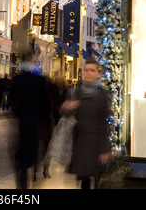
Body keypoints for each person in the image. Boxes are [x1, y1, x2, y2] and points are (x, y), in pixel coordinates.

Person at [61, 59, 112, 189]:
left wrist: (105, 150)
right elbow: (63, 114)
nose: (88, 73)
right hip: (81, 142)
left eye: (92, 70)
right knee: (84, 179)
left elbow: (105, 124)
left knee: (96, 178)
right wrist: (66, 107)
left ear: (98, 74)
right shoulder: (76, 92)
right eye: (86, 70)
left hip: (96, 143)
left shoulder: (102, 95)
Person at [10, 46, 52, 189]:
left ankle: (22, 182)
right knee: (33, 153)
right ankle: (31, 170)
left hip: (22, 123)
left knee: (21, 155)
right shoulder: (40, 81)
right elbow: (47, 104)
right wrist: (44, 119)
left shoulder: (17, 80)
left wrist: (18, 112)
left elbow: (11, 101)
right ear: (33, 62)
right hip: (34, 123)